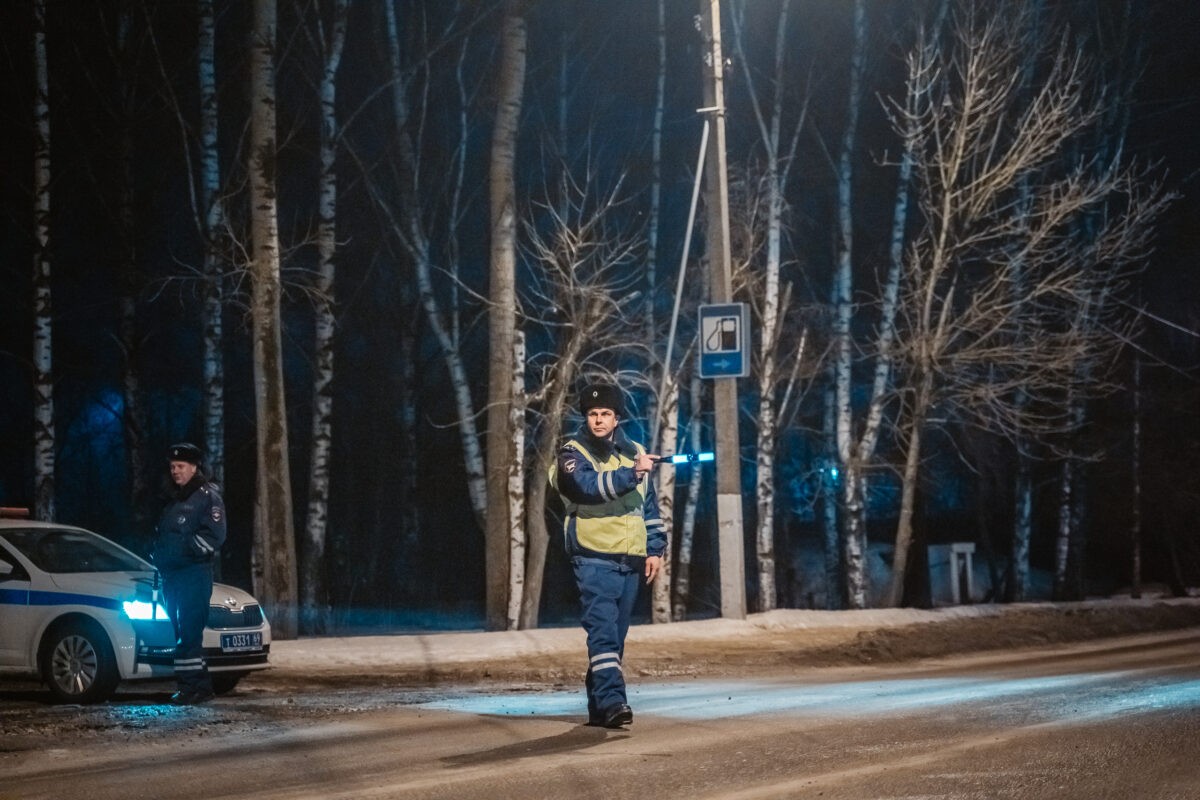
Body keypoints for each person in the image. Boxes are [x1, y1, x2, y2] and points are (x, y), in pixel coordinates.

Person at [549, 383, 667, 729]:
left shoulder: (635, 452)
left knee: (614, 638)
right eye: (593, 414)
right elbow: (585, 487)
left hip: (630, 558)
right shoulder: (572, 453)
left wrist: (655, 549)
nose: (599, 420)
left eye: (605, 414)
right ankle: (615, 700)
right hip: (594, 558)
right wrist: (633, 473)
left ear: (617, 418)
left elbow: (648, 505)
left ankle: (599, 708)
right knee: (602, 632)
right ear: (586, 417)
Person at [154, 442, 226, 705]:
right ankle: (199, 687)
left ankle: (189, 689)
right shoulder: (176, 498)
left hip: (193, 574)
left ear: (194, 468)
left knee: (189, 634)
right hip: (173, 576)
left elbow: (215, 535)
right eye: (172, 467)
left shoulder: (207, 497)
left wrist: (185, 552)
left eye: (180, 466)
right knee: (182, 633)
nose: (175, 471)